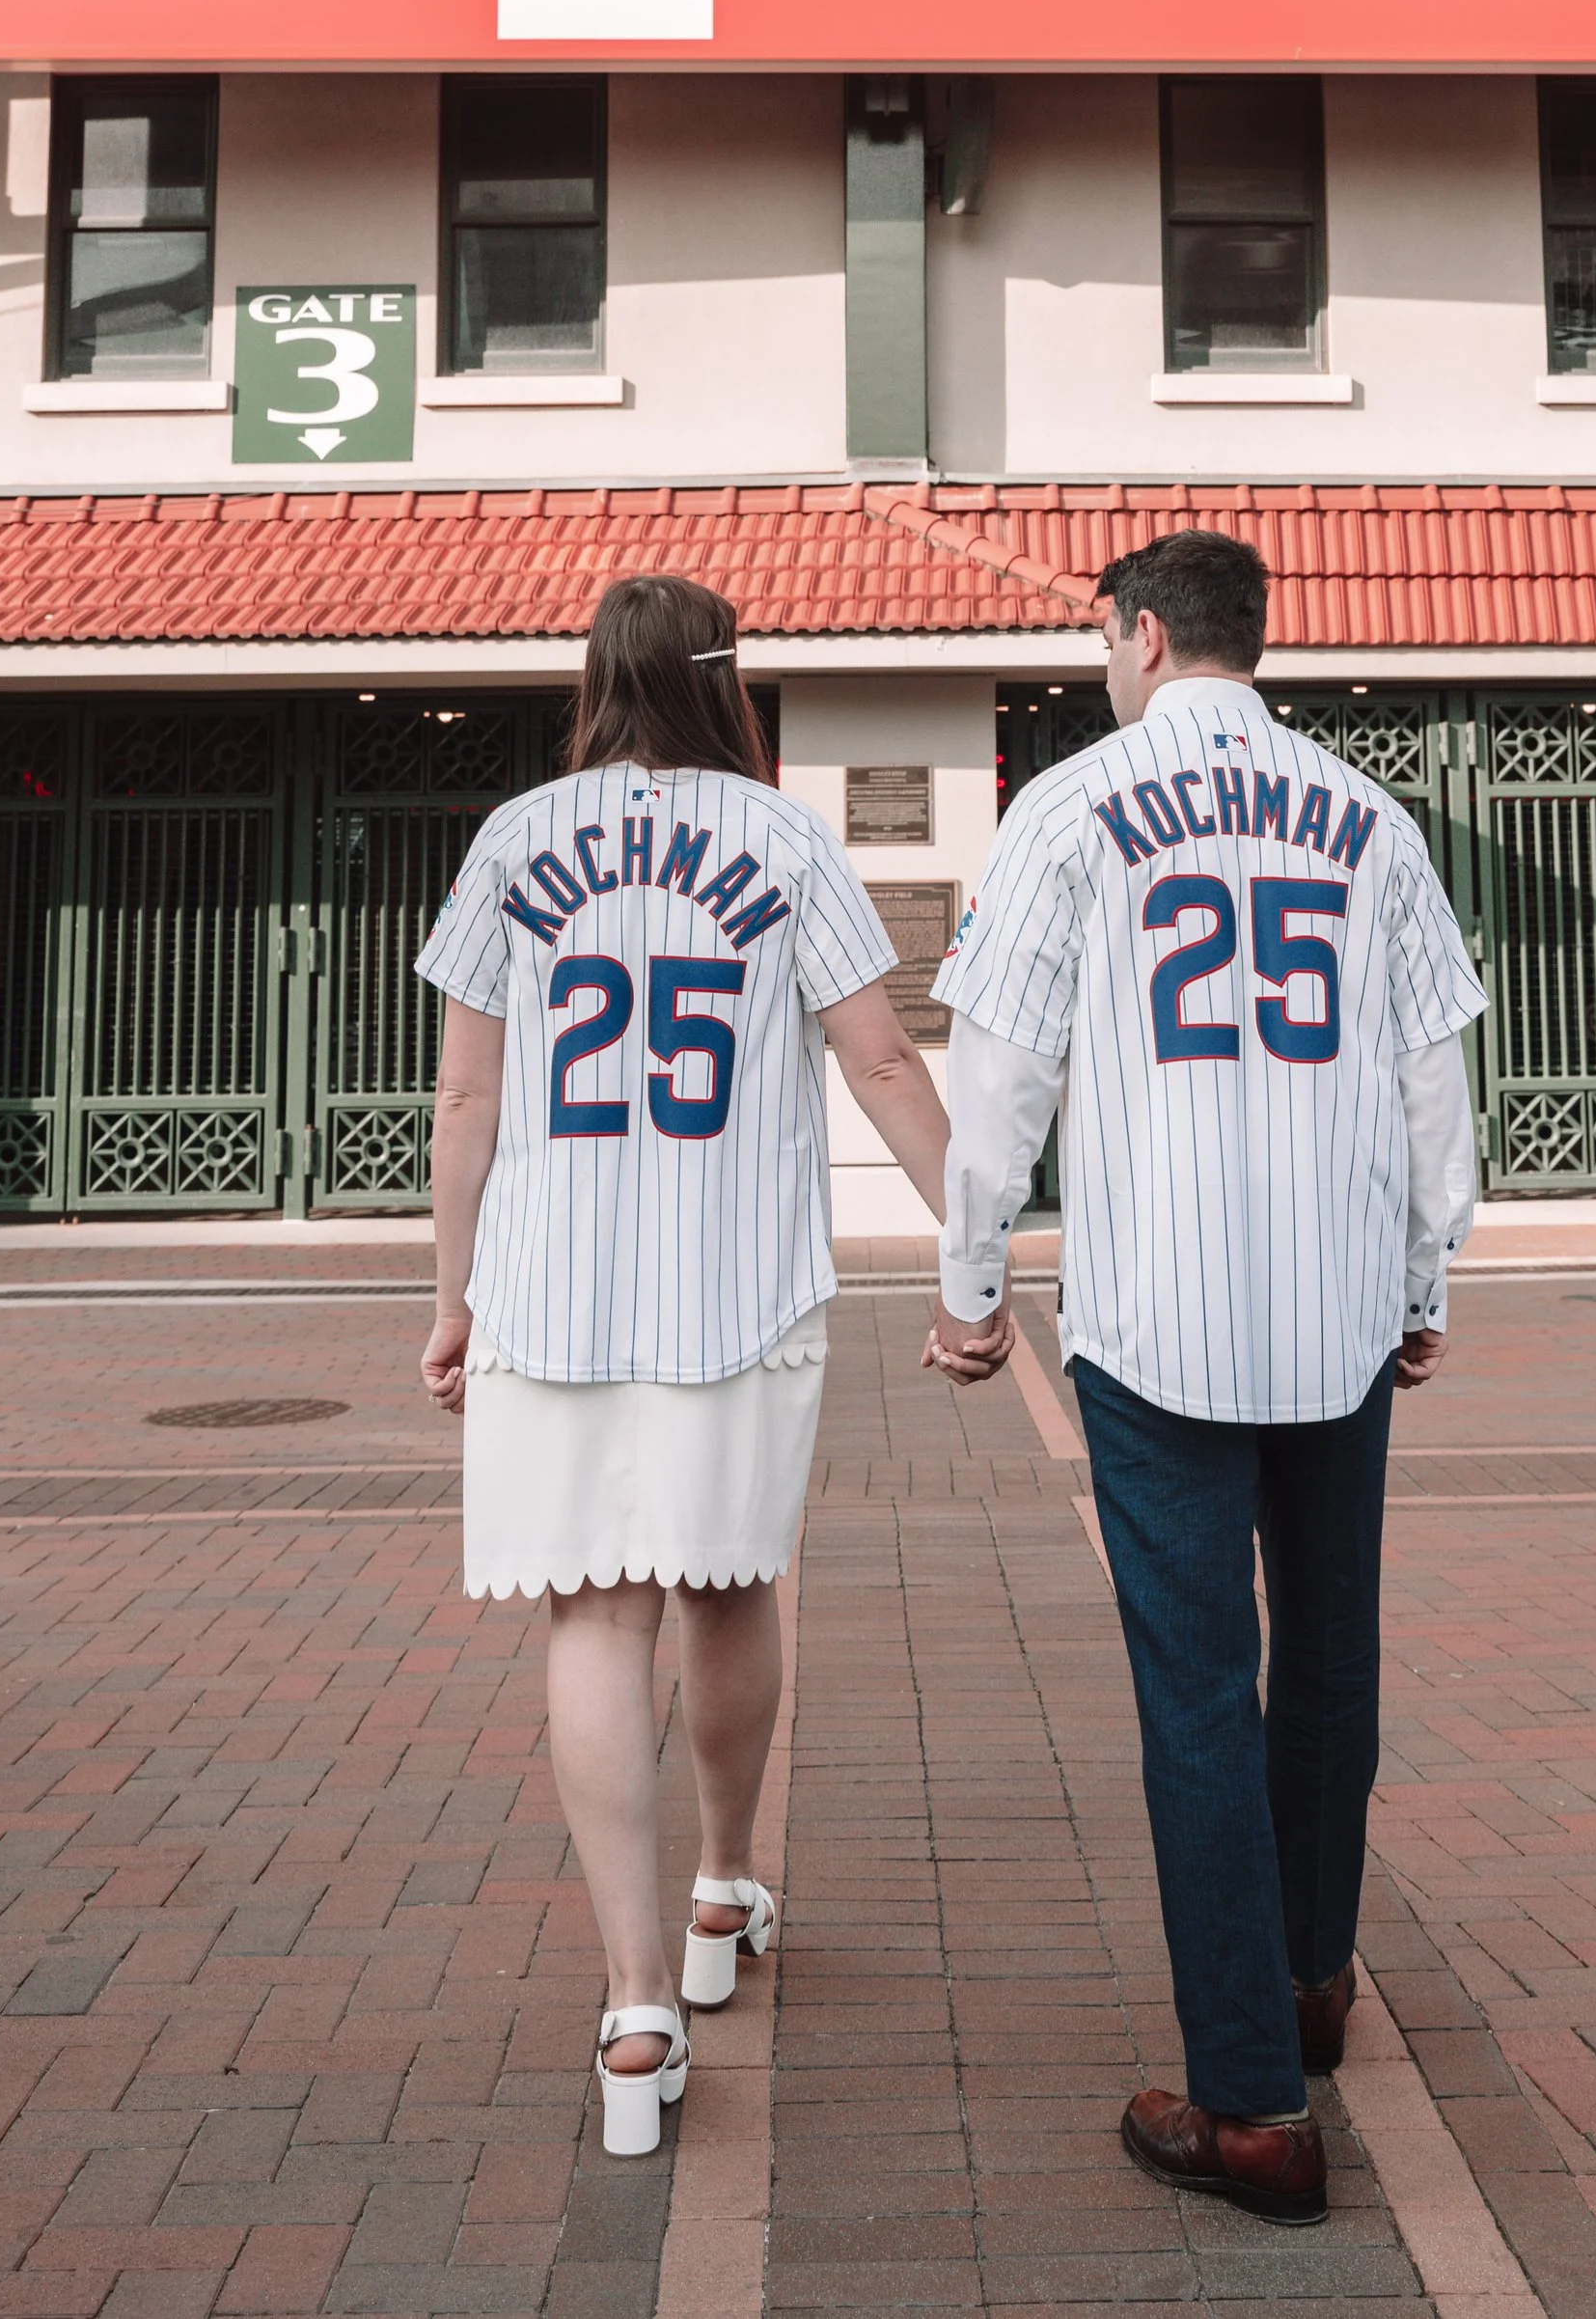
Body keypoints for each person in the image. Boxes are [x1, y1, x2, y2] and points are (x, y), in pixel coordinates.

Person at [922, 528, 1484, 2229]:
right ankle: (1315, 1978)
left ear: (1149, 636)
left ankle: (1249, 2104)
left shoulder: (1067, 809)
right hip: (1332, 1317)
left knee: (1197, 1696)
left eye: (1107, 638)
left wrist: (971, 1286)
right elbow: (1427, 1078)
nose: (1104, 664)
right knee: (1328, 1657)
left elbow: (1003, 1075)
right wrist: (1421, 1271)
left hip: (1159, 1319)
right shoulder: (1370, 816)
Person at [416, 573, 956, 2159]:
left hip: (552, 1288)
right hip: (737, 1287)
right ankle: (724, 1882)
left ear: (598, 679)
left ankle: (638, 1999)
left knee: (597, 1611)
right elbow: (879, 1056)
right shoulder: (787, 841)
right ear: (729, 684)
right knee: (728, 1587)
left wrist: (450, 1296)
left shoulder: (515, 837)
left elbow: (466, 1100)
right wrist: (974, 1241)